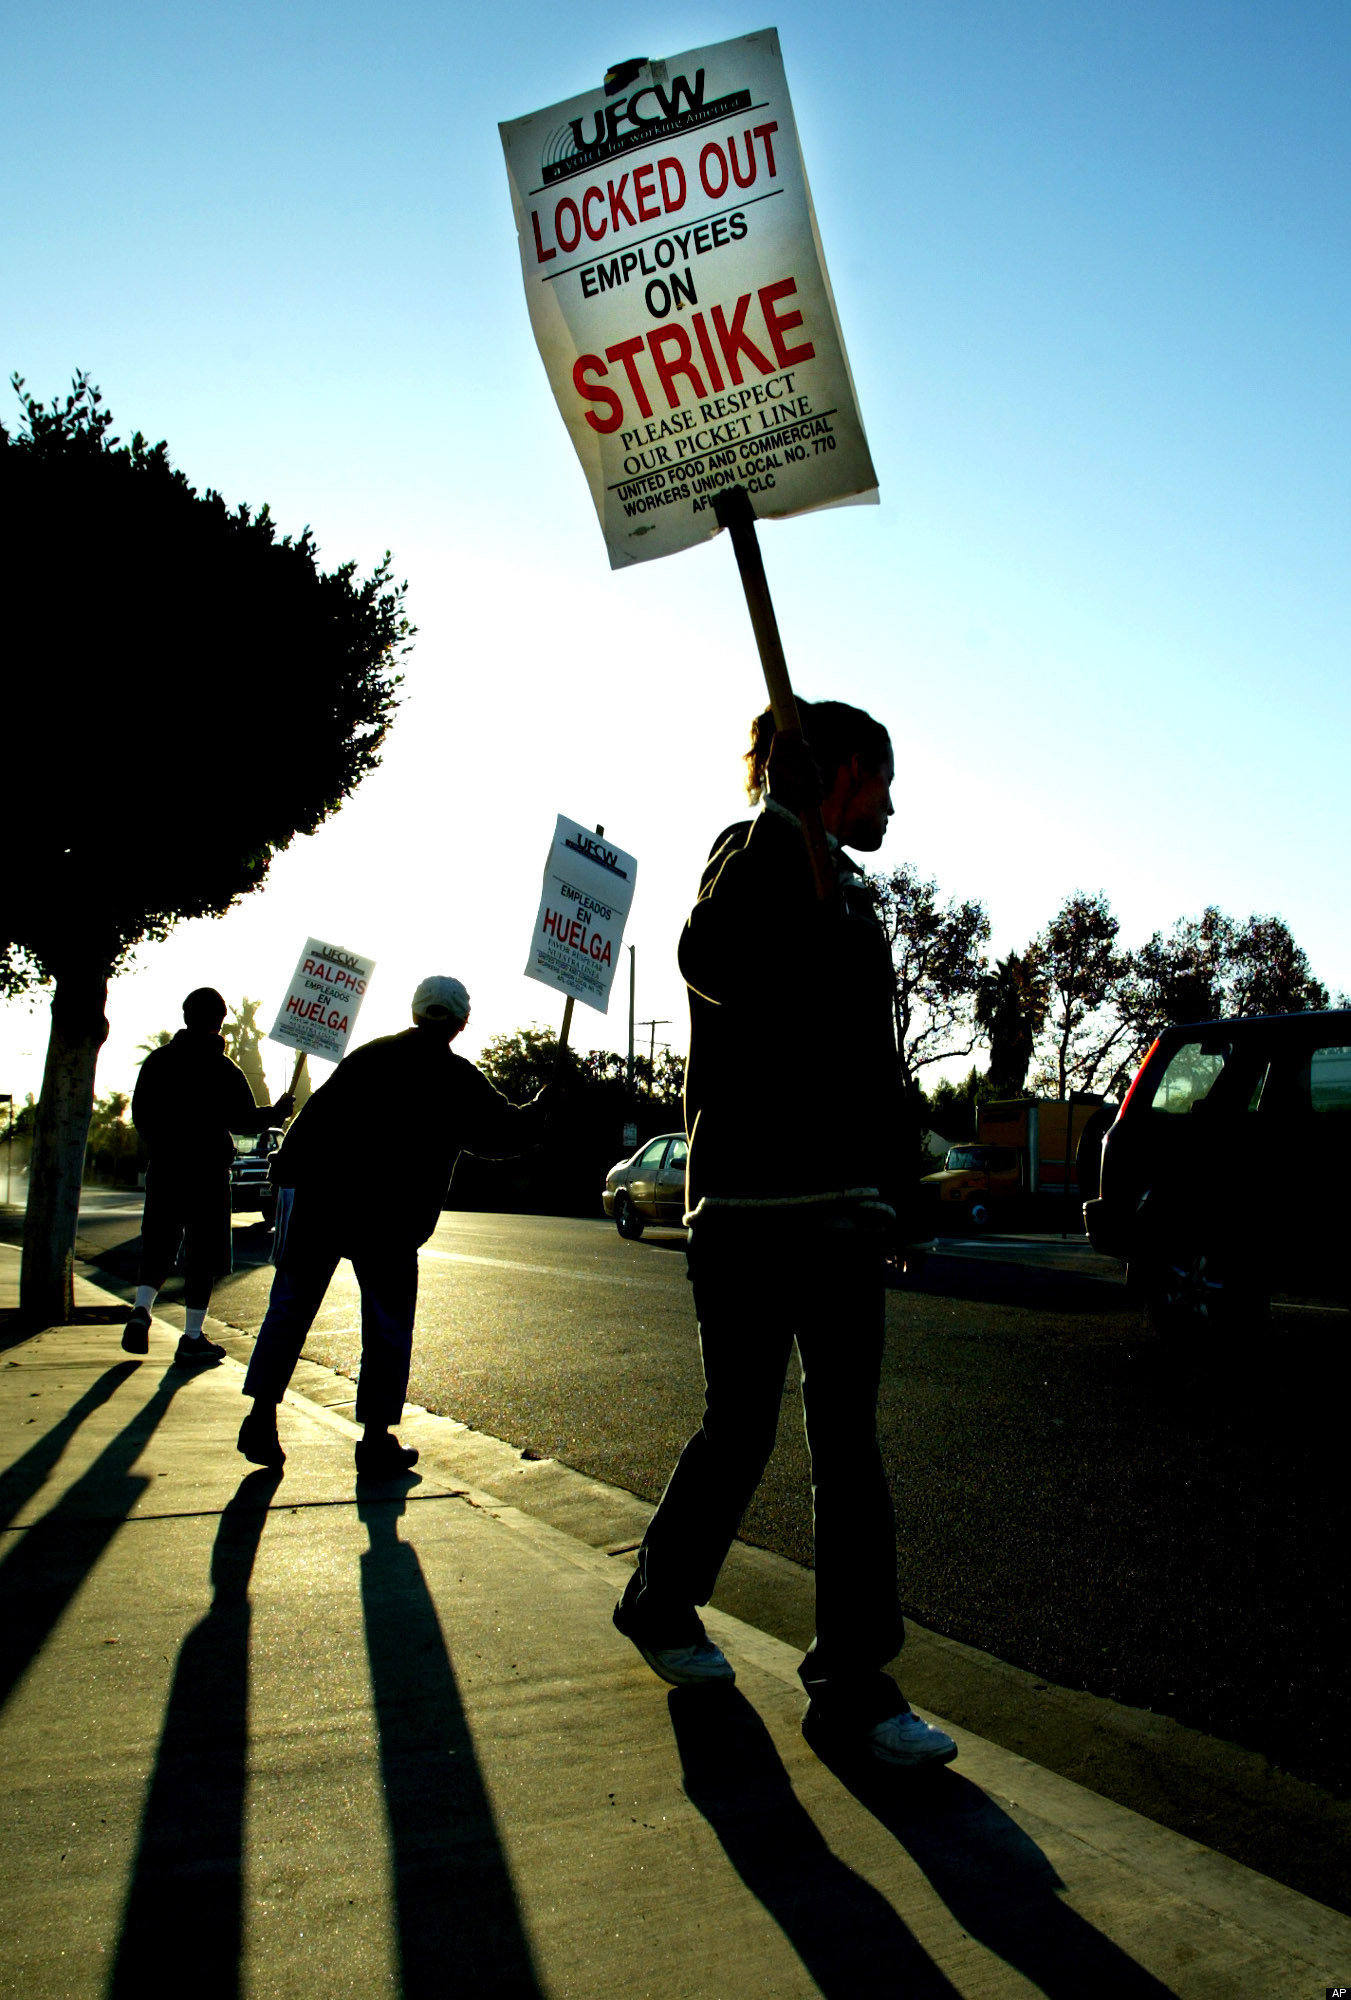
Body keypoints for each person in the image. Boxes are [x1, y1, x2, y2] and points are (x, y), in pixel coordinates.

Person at [612, 699, 958, 1771]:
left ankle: (852, 1685)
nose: (892, 805)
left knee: (848, 1445)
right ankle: (662, 1596)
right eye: (881, 780)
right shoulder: (749, 855)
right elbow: (705, 953)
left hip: (842, 1212)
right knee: (742, 1426)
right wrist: (779, 817)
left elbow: (870, 1063)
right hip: (752, 1214)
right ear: (839, 770)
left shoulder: (853, 897)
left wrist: (898, 1184)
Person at [237, 975, 549, 1479]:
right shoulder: (456, 1078)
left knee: (291, 1310)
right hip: (391, 1223)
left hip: (323, 1206)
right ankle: (375, 1440)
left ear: (415, 1011)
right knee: (386, 1330)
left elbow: (314, 1118)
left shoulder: (368, 1056)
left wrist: (287, 1167)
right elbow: (499, 1134)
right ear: (462, 1022)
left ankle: (260, 1416)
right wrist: (538, 1114)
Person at [124, 988, 294, 1365]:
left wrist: (164, 1145)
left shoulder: (158, 1062)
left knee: (159, 1244)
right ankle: (192, 1336)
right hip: (208, 1173)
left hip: (166, 1168)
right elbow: (243, 1119)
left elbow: (141, 1114)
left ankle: (141, 1309)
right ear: (219, 1021)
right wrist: (276, 1112)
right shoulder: (223, 1069)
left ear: (185, 1016)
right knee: (203, 1256)